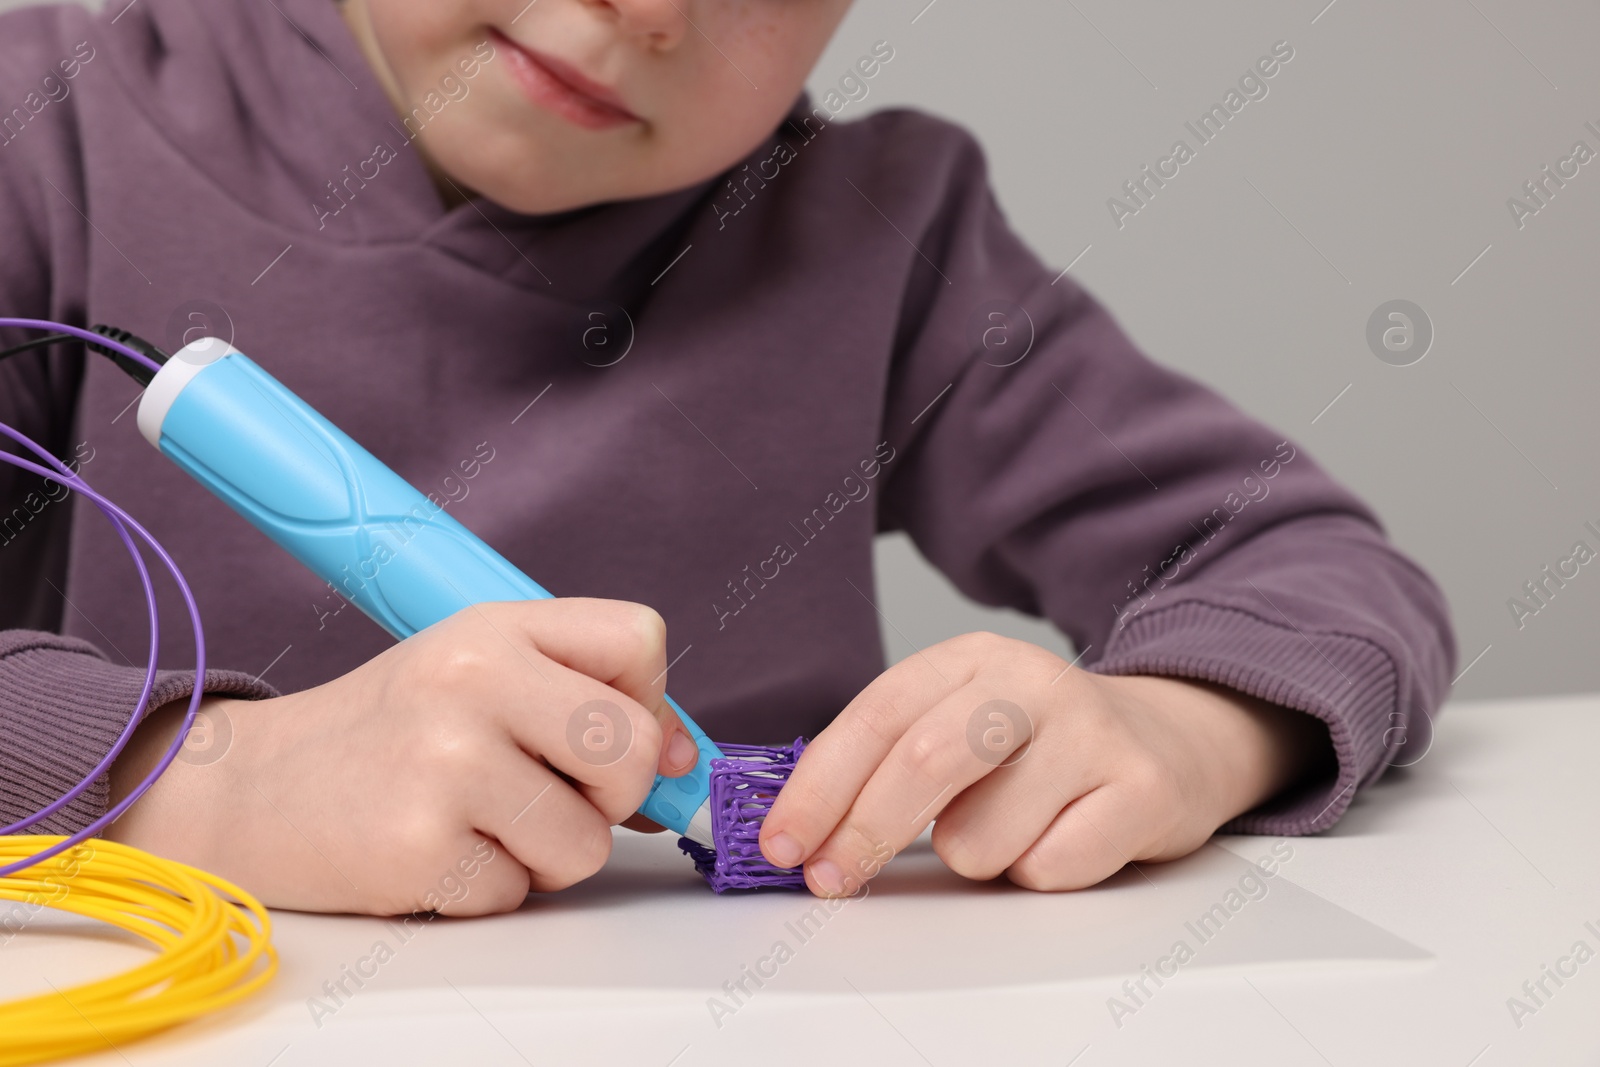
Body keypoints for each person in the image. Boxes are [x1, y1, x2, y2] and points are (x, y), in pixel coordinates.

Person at [0, 0, 1454, 915]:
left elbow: (1308, 565)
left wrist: (1183, 729)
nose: (645, 8)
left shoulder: (884, 234)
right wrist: (210, 780)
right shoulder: (43, 126)